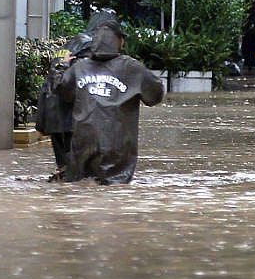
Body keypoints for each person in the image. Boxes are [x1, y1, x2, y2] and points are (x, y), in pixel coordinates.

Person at [53, 18, 164, 185]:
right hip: (117, 146)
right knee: (115, 187)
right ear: (120, 41)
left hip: (83, 142)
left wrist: (61, 65)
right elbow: (155, 95)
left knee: (81, 186)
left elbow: (61, 89)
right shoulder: (132, 67)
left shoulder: (79, 67)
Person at [37, 29, 92, 177]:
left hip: (53, 117)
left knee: (64, 163)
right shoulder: (83, 56)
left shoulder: (62, 55)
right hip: (69, 119)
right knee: (75, 166)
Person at [241, 0, 255, 70]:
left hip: (252, 33)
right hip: (249, 33)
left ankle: (250, 61)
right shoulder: (248, 15)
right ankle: (249, 61)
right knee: (249, 47)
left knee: (251, 47)